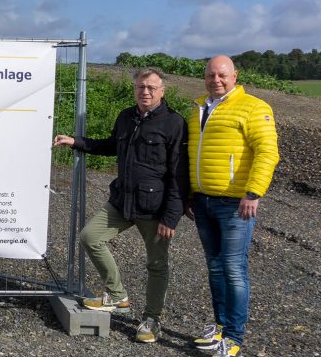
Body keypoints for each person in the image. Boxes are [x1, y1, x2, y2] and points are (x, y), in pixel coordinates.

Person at [53, 67, 188, 344]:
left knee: (156, 264)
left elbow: (179, 173)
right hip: (122, 201)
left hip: (155, 207)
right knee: (90, 236)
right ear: (135, 89)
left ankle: (151, 320)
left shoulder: (174, 123)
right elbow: (111, 145)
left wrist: (171, 216)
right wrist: (75, 141)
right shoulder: (126, 117)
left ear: (163, 91)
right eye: (140, 87)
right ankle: (117, 295)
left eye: (151, 87)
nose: (145, 92)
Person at [185, 55, 278, 357]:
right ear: (205, 77)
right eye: (211, 75)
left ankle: (234, 338)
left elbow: (267, 152)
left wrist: (253, 193)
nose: (217, 80)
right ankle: (221, 327)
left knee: (234, 269)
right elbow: (191, 155)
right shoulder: (197, 108)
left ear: (235, 75)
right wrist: (189, 194)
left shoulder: (254, 107)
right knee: (214, 267)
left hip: (235, 204)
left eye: (222, 75)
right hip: (202, 201)